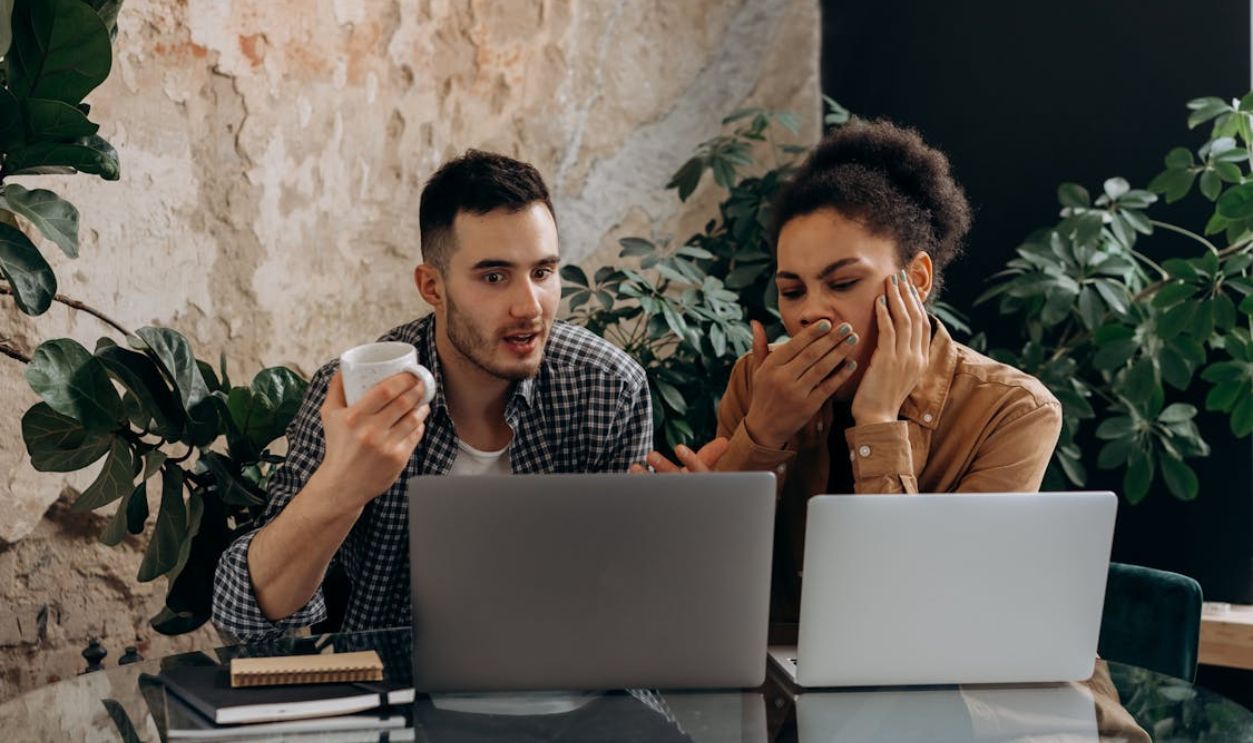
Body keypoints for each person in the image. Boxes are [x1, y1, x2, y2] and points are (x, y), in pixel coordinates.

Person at [635, 119, 1063, 625]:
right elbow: (710, 595)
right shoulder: (757, 382)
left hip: (953, 688)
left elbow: (929, 609)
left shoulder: (1012, 409)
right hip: (784, 683)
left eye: (842, 282)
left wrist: (878, 420)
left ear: (917, 279)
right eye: (792, 291)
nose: (810, 312)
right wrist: (762, 435)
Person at [213, 151, 652, 641]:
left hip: (565, 693)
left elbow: (626, 599)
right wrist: (342, 486)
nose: (529, 306)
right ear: (432, 287)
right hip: (401, 693)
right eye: (493, 276)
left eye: (543, 273)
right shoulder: (360, 395)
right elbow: (247, 613)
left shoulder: (607, 387)